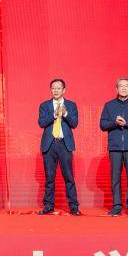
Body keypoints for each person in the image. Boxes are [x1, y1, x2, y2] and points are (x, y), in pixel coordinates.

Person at [99, 77, 128, 216]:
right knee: (115, 178)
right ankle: (116, 206)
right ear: (116, 89)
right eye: (121, 86)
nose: (124, 88)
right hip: (115, 147)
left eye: (126, 86)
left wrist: (127, 123)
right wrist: (115, 123)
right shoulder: (109, 105)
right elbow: (102, 125)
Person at [37, 78, 81, 216]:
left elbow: (74, 123)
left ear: (64, 90)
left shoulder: (71, 105)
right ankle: (48, 206)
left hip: (64, 144)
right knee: (49, 177)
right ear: (51, 90)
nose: (56, 90)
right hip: (49, 145)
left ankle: (73, 207)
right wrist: (54, 115)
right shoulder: (44, 105)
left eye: (58, 88)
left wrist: (65, 113)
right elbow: (41, 123)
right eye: (53, 88)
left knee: (69, 177)